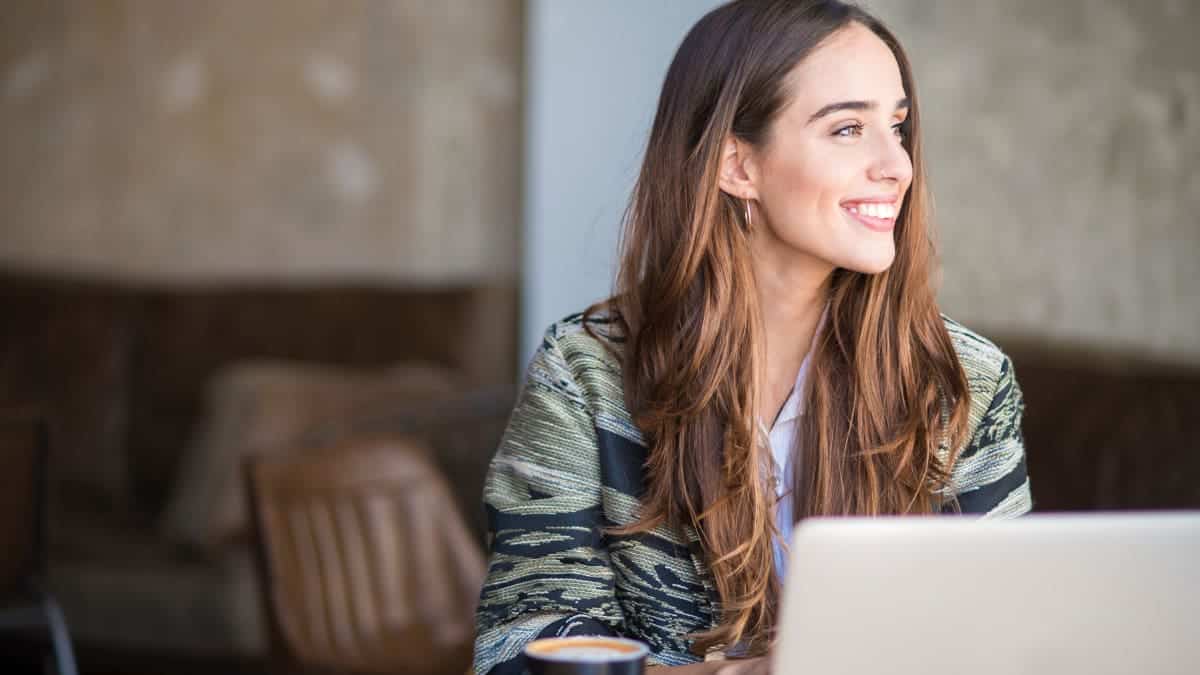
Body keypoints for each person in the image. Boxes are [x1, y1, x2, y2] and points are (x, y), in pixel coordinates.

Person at [473, 1, 1031, 674]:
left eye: (898, 125)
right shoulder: (584, 371)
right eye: (849, 128)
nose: (898, 166)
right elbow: (522, 651)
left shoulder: (964, 381)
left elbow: (1006, 641)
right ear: (737, 165)